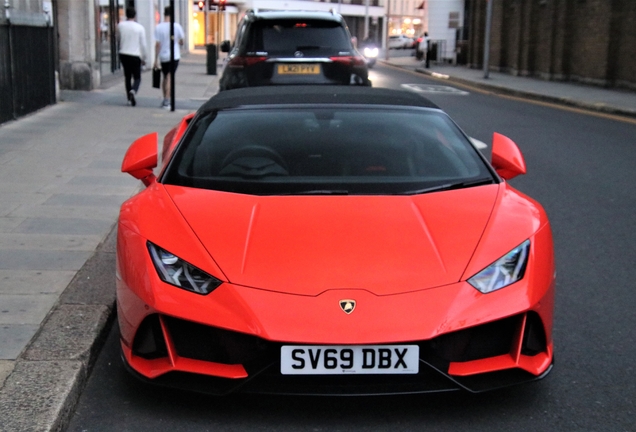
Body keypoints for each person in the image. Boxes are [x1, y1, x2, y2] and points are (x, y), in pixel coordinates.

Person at [154, 6, 185, 109]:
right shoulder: (176, 26)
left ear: (164, 14)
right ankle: (167, 100)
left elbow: (157, 44)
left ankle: (165, 98)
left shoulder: (159, 27)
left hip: (163, 56)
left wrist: (155, 59)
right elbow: (182, 41)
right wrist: (178, 41)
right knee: (170, 77)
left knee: (165, 77)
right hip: (174, 55)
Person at [117, 7, 147, 106]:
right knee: (137, 77)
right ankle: (133, 90)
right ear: (135, 15)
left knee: (127, 76)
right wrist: (144, 57)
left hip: (124, 53)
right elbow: (143, 45)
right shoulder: (139, 28)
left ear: (126, 15)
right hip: (135, 55)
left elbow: (118, 38)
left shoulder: (120, 26)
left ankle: (129, 98)